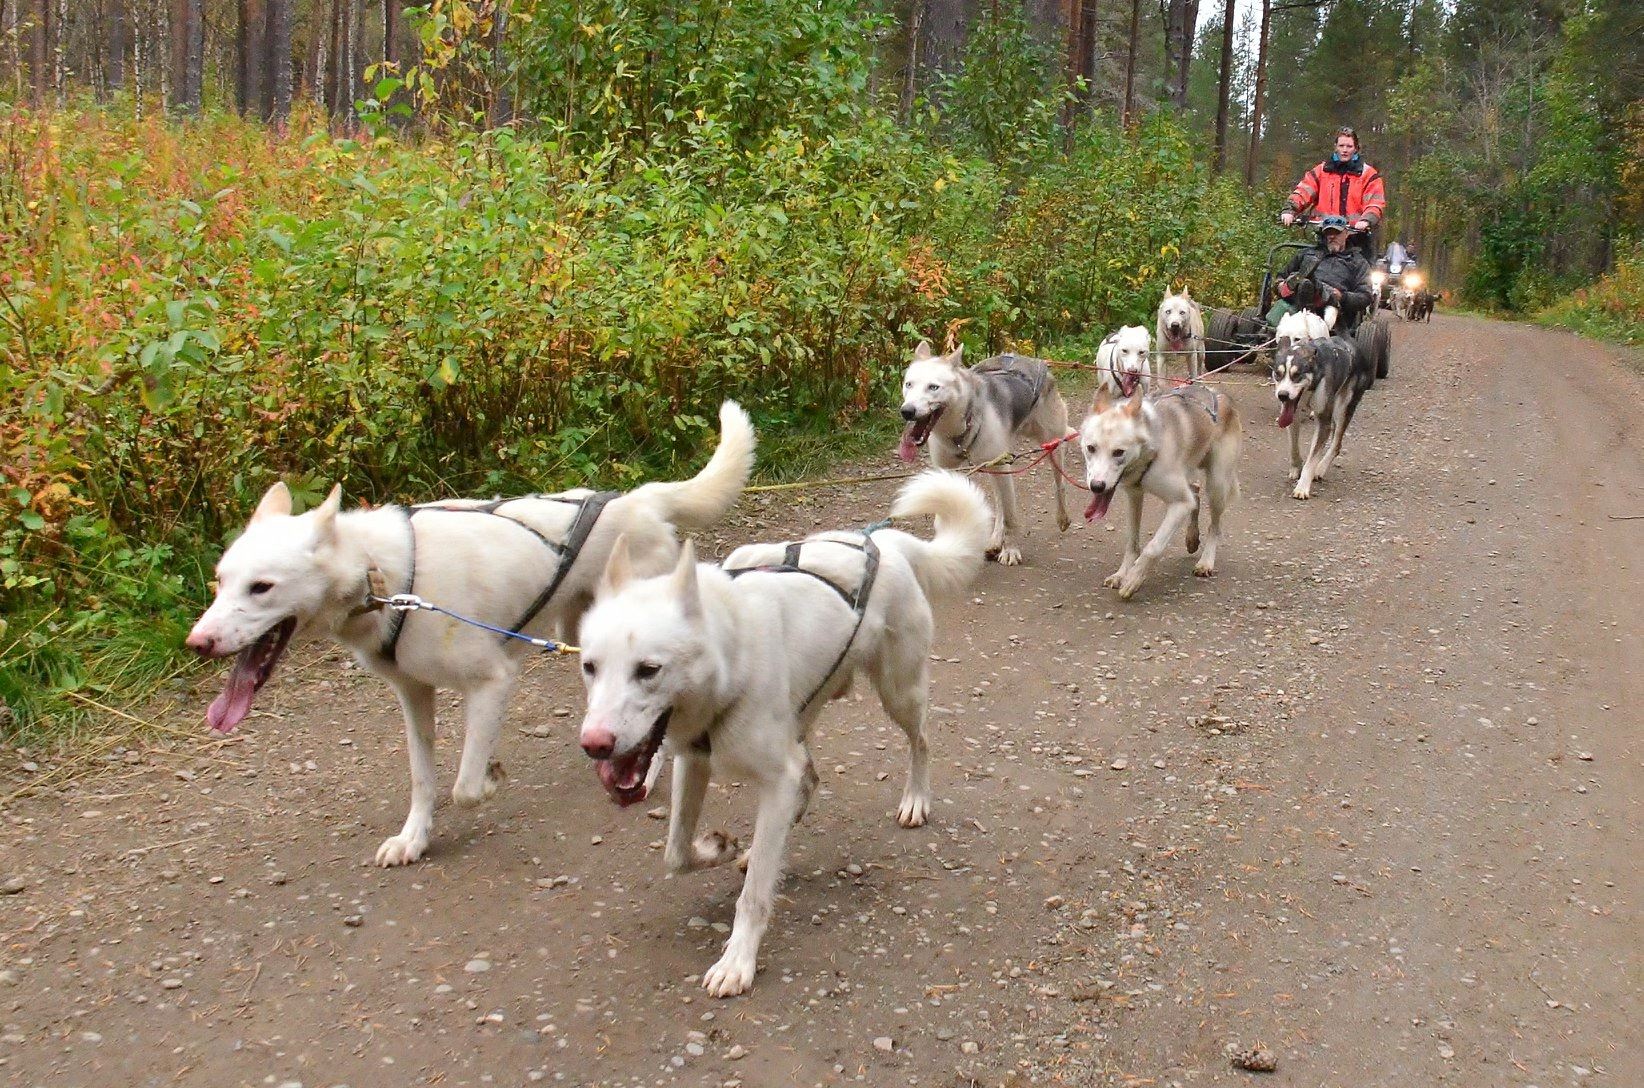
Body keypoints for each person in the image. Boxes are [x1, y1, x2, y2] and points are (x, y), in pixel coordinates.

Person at [1280, 127, 1387, 257]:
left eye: (1349, 146)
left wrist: (1366, 220)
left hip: (1356, 239)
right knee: (1308, 266)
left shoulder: (1368, 175)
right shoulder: (1322, 171)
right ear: (1336, 147)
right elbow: (1303, 191)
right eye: (1342, 145)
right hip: (1326, 236)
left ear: (1356, 148)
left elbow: (1375, 203)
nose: (1345, 150)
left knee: (1364, 274)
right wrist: (1290, 210)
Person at [1267, 216, 1375, 330]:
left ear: (1346, 233)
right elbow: (1281, 276)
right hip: (1296, 300)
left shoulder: (1357, 262)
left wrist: (1342, 296)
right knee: (1299, 284)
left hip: (1332, 307)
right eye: (1328, 233)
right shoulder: (1306, 254)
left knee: (1318, 288)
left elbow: (1365, 297)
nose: (1332, 236)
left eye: (1337, 233)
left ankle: (1309, 283)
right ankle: (1299, 283)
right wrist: (1279, 285)